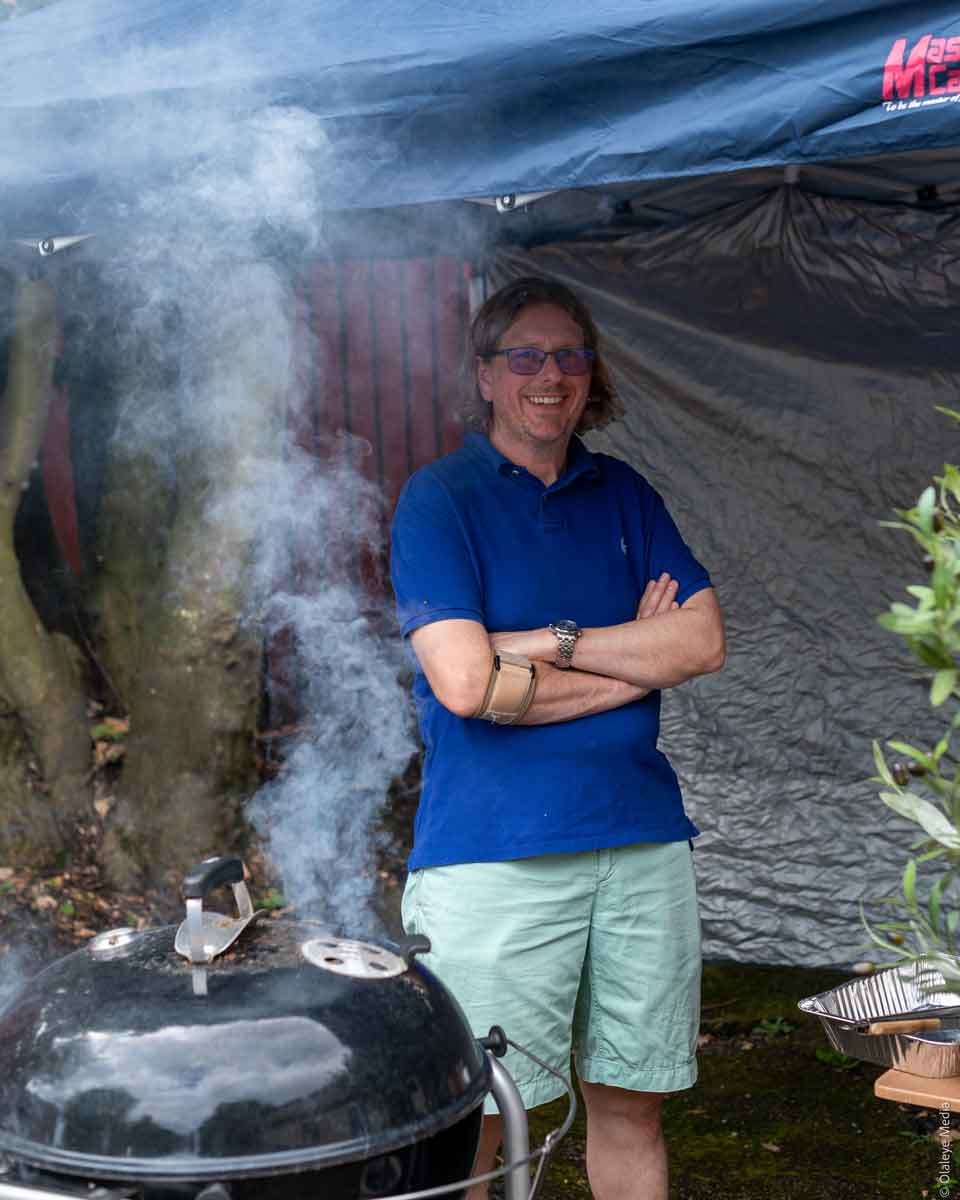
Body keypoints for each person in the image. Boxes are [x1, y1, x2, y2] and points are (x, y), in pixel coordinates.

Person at [389, 275, 725, 1200]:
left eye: (570, 355)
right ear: (485, 375)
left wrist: (544, 645)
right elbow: (466, 684)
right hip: (494, 856)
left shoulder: (624, 494)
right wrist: (635, 663)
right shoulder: (440, 499)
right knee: (479, 1120)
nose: (551, 375)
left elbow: (701, 642)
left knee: (632, 1107)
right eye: (526, 356)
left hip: (640, 844)